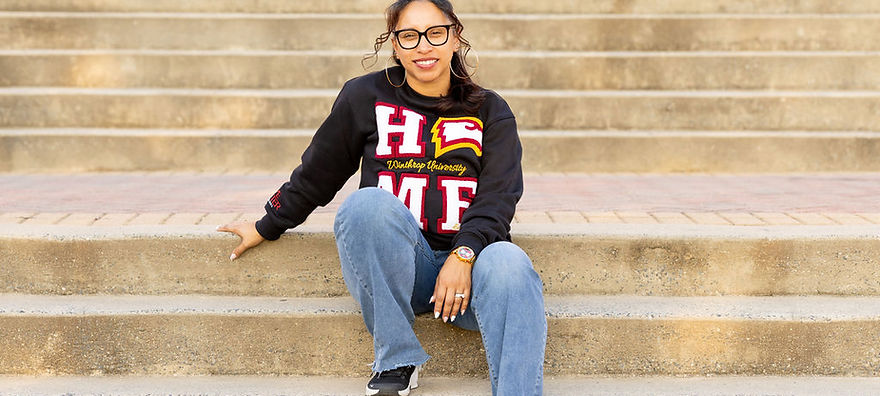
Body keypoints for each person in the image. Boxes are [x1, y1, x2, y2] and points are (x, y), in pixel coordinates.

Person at [217, 1, 546, 394]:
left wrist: (463, 255)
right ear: (395, 44)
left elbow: (498, 198)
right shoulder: (365, 96)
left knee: (511, 261)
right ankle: (397, 360)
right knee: (365, 204)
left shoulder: (490, 109)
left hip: (470, 280)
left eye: (435, 33)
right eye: (409, 36)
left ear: (456, 37)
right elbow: (319, 173)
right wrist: (267, 224)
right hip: (400, 272)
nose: (424, 47)